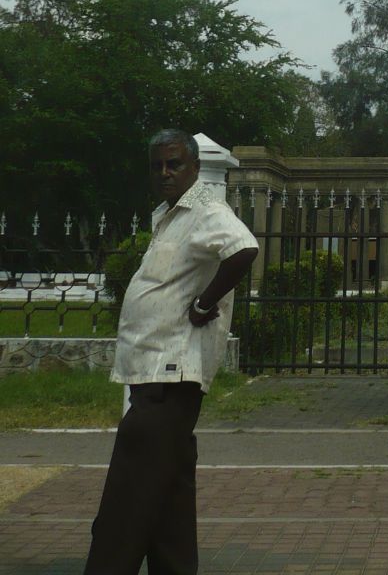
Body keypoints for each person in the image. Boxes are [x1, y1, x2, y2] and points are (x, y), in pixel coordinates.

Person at [84, 129, 259, 575]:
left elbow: (242, 249)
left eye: (174, 164)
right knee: (170, 501)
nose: (164, 173)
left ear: (196, 168)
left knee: (127, 501)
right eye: (157, 165)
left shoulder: (206, 211)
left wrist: (205, 303)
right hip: (153, 375)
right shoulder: (169, 216)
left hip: (169, 377)